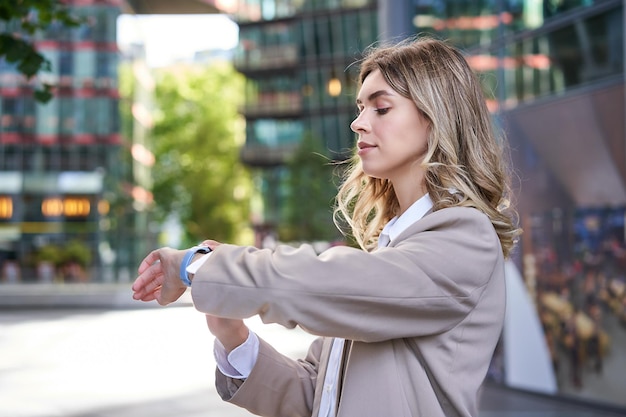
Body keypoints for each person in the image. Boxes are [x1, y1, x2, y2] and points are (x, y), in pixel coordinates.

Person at [132, 36, 521, 417]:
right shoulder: (392, 248)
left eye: (381, 109)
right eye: (360, 108)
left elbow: (322, 282)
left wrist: (199, 266)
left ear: (436, 118)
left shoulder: (465, 238)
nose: (358, 123)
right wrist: (234, 338)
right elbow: (316, 396)